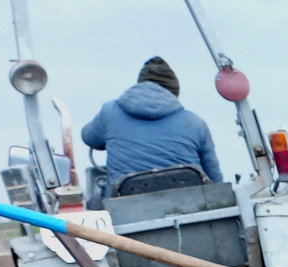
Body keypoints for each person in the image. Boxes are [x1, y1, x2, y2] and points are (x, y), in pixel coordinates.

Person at [81, 57, 222, 196]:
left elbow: (88, 137)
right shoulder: (195, 123)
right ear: (173, 93)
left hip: (126, 209)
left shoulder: (109, 112)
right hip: (191, 206)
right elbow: (215, 178)